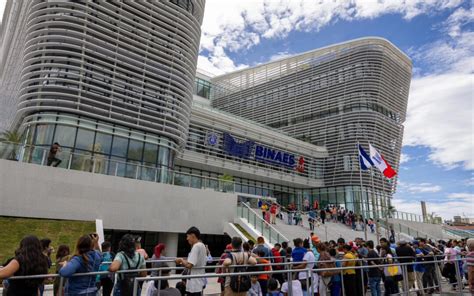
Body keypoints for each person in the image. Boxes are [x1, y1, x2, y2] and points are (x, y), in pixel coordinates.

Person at [175, 226, 207, 296]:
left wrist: (180, 260)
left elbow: (189, 265)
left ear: (193, 236)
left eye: (188, 236)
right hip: (199, 282)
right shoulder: (202, 245)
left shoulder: (196, 246)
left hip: (194, 284)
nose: (187, 239)